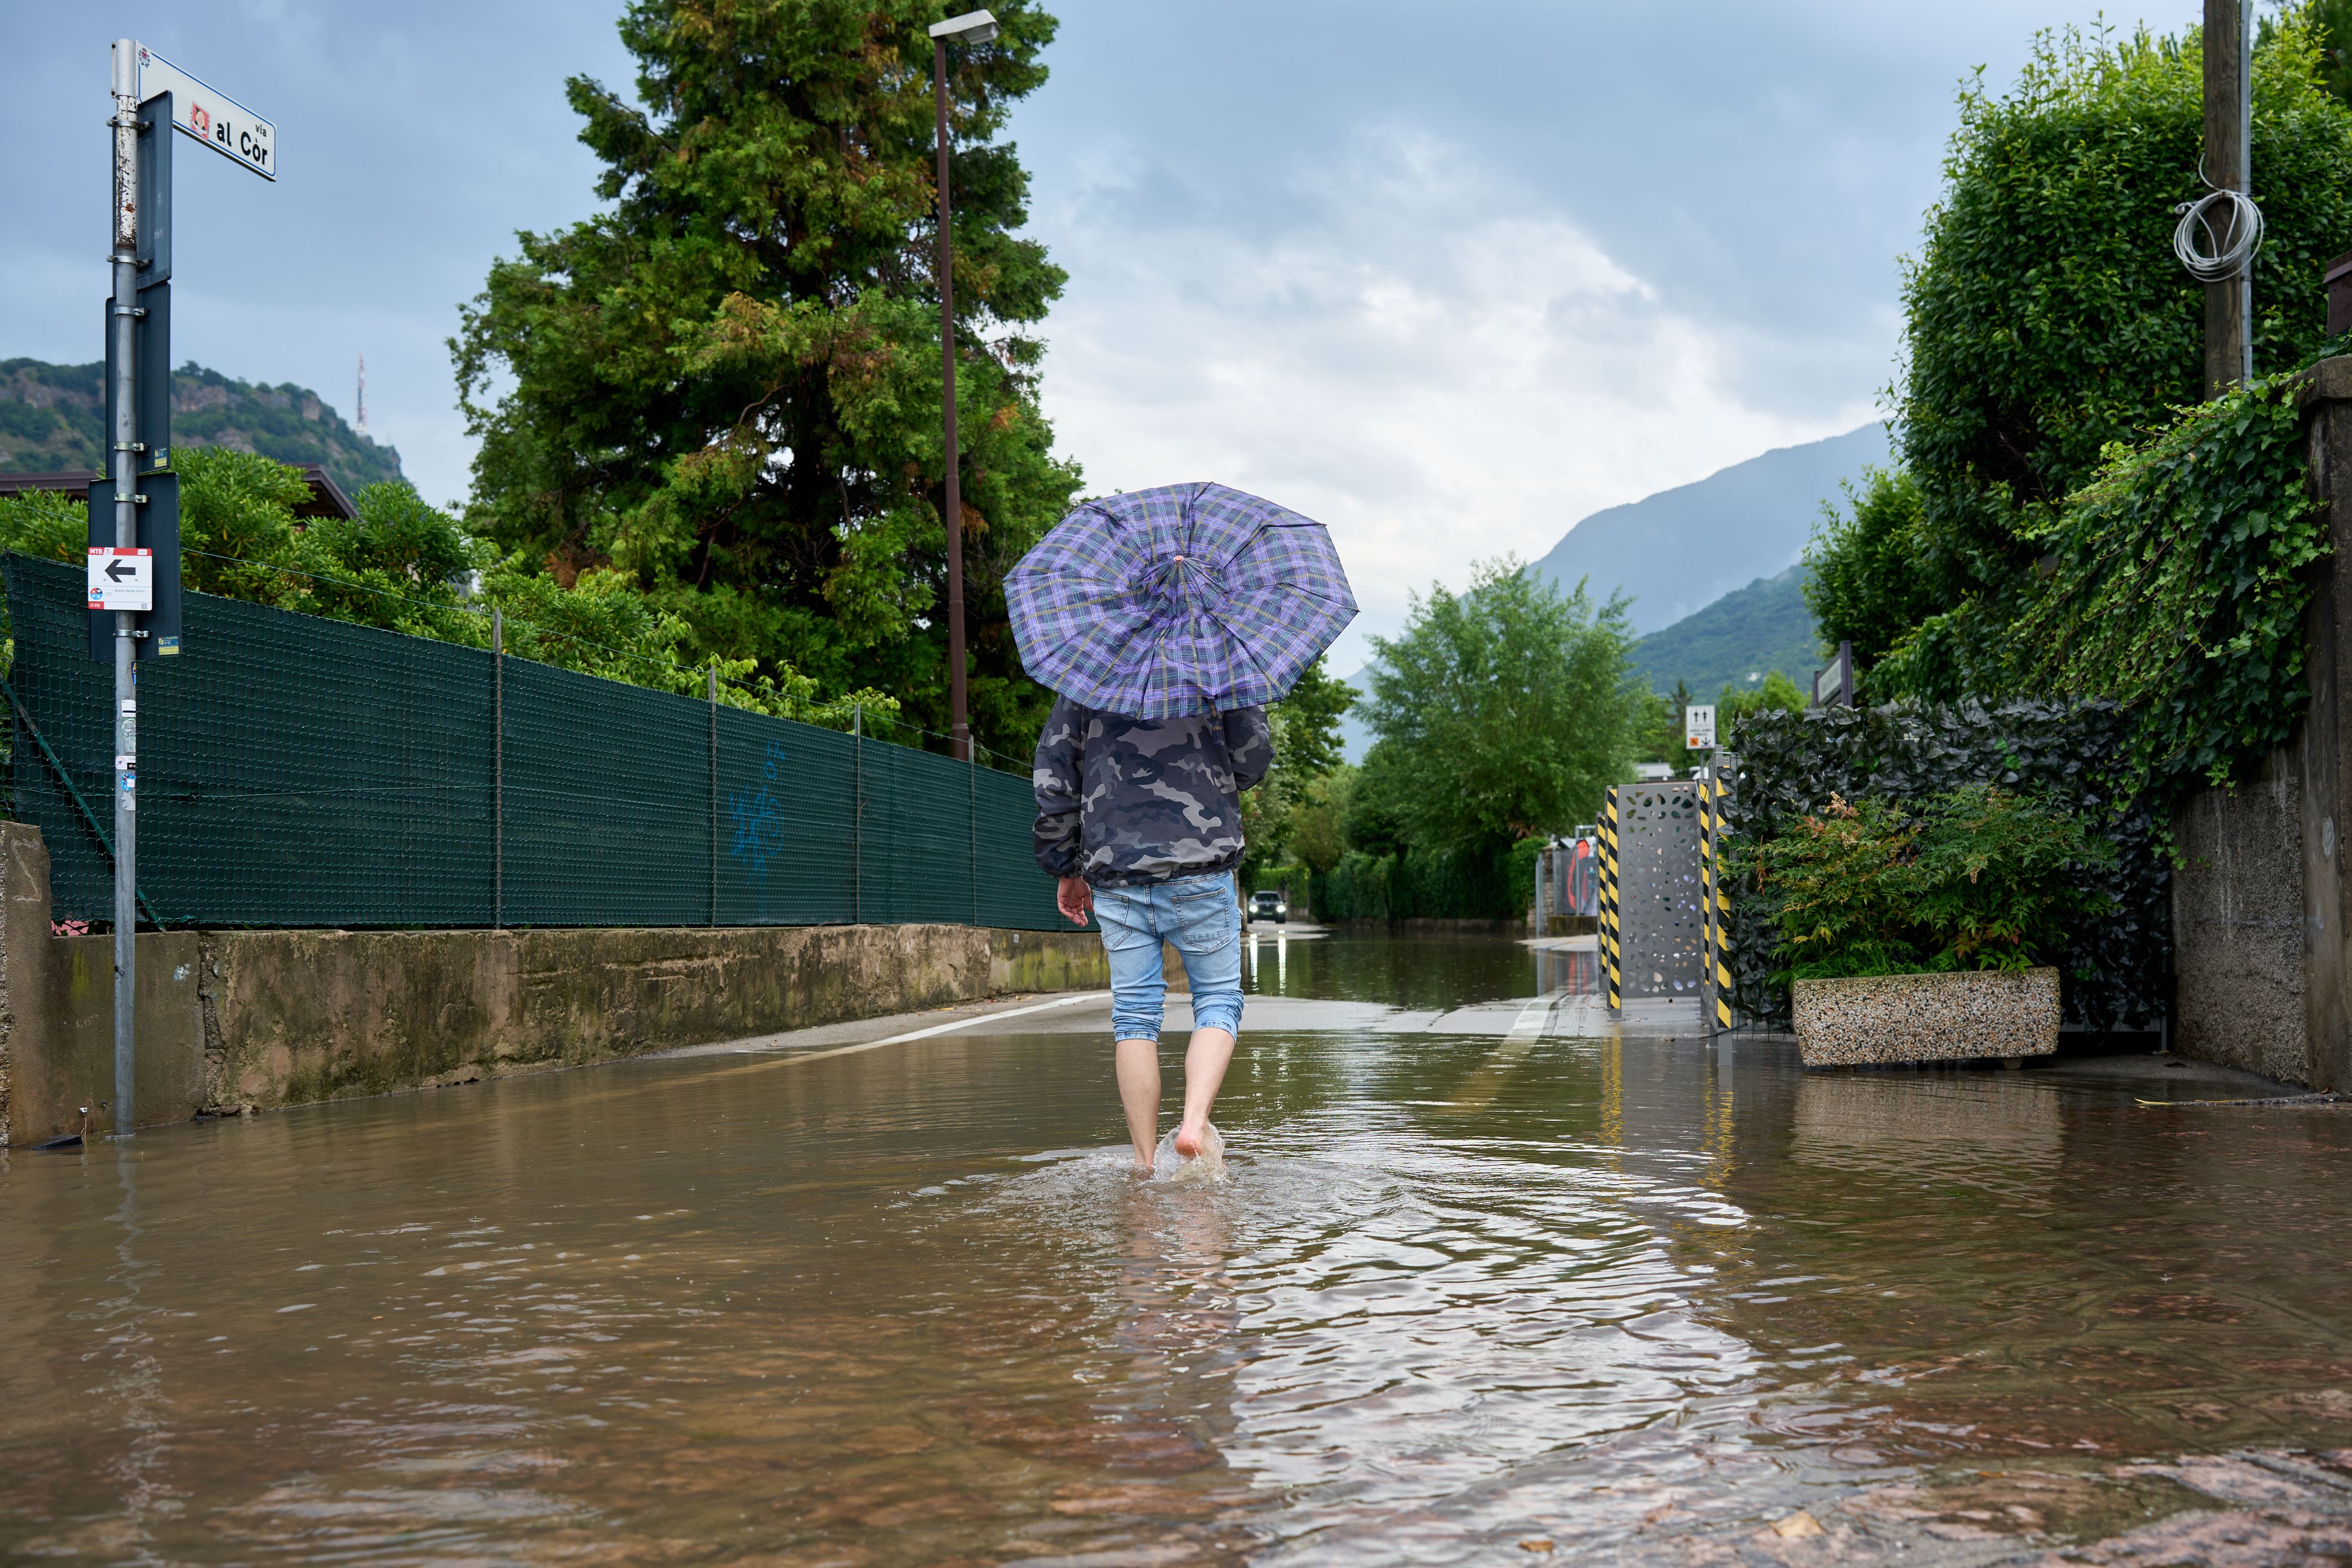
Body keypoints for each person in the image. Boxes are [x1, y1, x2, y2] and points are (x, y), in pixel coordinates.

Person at [1033, 697, 1272, 1171]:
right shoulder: (1214, 660)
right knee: (1218, 1000)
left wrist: (1065, 864)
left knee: (1135, 1017)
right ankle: (1193, 1122)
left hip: (1116, 869)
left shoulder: (1094, 667)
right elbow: (1253, 756)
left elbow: (1056, 775)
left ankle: (1143, 1163)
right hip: (1201, 864)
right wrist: (1211, 780)